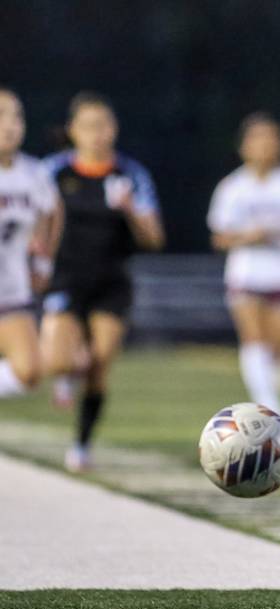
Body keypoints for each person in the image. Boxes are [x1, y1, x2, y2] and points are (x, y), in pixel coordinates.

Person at [41, 91, 165, 473]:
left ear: (114, 129)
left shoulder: (130, 175)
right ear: (73, 131)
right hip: (65, 278)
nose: (98, 134)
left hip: (111, 280)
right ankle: (66, 373)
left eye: (104, 125)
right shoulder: (52, 172)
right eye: (89, 126)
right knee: (60, 360)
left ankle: (81, 444)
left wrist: (130, 210)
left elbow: (154, 239)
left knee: (99, 363)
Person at [208, 112, 280, 415]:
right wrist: (248, 238)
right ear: (244, 146)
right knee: (253, 337)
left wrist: (276, 230)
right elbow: (220, 237)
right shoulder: (232, 187)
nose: (264, 146)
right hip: (247, 273)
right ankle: (269, 405)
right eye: (257, 139)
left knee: (279, 344)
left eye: (270, 138)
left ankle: (273, 381)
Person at [0, 87, 60, 399]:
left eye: (17, 117)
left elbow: (51, 212)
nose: (10, 125)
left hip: (11, 290)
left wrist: (43, 259)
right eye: (1, 116)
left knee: (29, 372)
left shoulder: (33, 173)